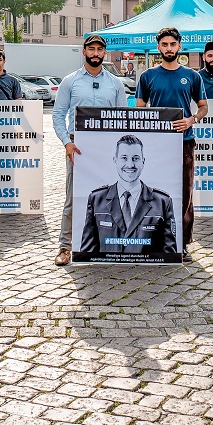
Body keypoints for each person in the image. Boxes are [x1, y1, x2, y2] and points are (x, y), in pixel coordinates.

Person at [52, 34, 127, 265]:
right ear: (84, 51)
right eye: (91, 49)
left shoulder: (115, 83)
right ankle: (66, 247)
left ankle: (109, 245)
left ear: (104, 53)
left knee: (111, 197)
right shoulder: (70, 81)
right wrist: (67, 143)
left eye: (99, 50)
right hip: (79, 149)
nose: (95, 53)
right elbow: (58, 115)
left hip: (107, 149)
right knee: (73, 198)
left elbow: (123, 117)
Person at [136, 26, 207, 262]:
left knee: (185, 192)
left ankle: (183, 242)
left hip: (184, 142)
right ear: (159, 47)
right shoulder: (147, 76)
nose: (169, 48)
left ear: (180, 46)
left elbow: (204, 106)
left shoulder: (193, 76)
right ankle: (154, 239)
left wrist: (192, 119)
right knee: (153, 191)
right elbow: (139, 108)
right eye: (164, 45)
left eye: (172, 44)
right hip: (156, 144)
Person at [79, 134, 178, 255]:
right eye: (124, 158)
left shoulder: (162, 202)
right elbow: (87, 252)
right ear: (115, 160)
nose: (130, 165)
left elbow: (169, 255)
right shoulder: (97, 199)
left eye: (135, 158)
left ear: (143, 161)